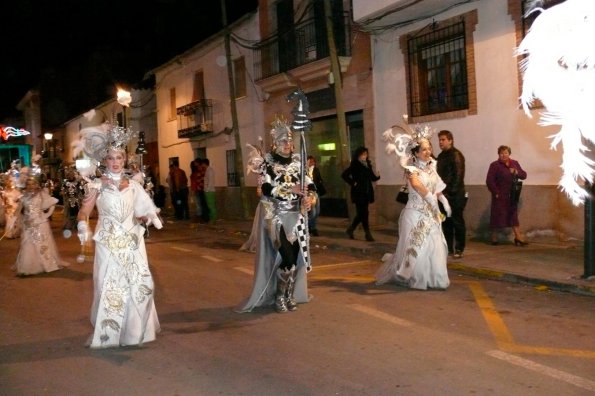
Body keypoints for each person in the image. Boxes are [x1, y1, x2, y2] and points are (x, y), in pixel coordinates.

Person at [74, 120, 163, 348]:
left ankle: (135, 332)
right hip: (108, 242)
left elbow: (142, 211)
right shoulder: (96, 186)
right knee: (110, 284)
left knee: (139, 284)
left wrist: (149, 218)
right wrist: (83, 227)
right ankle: (109, 333)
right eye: (111, 158)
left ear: (125, 160)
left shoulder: (134, 185)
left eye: (119, 158)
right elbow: (83, 212)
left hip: (133, 242)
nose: (115, 162)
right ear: (105, 161)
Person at [235, 116, 314, 314]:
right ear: (275, 143)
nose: (287, 144)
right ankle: (279, 295)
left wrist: (310, 198)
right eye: (283, 141)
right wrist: (291, 191)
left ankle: (289, 294)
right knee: (286, 255)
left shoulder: (298, 163)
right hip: (275, 217)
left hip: (297, 218)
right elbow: (266, 189)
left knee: (295, 258)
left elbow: (310, 185)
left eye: (289, 140)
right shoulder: (266, 164)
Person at [375, 124, 451, 290]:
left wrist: (442, 199)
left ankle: (435, 279)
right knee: (418, 247)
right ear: (416, 152)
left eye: (429, 148)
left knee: (435, 245)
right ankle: (416, 278)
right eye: (423, 149)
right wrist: (430, 197)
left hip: (430, 214)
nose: (428, 151)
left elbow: (436, 186)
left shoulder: (432, 167)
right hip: (416, 213)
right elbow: (417, 185)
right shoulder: (411, 169)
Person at [12, 174, 70, 276]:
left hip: (40, 224)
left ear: (36, 184)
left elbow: (53, 202)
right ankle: (28, 268)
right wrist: (14, 221)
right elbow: (18, 211)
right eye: (29, 184)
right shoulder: (23, 197)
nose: (31, 185)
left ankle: (45, 265)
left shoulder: (41, 194)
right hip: (28, 224)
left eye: (33, 183)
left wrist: (46, 215)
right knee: (27, 245)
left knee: (43, 244)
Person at [486, 145, 528, 246]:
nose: (504, 155)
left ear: (509, 154)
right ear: (498, 154)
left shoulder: (514, 163)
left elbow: (524, 175)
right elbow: (489, 181)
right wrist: (495, 192)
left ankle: (518, 237)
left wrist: (516, 172)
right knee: (497, 215)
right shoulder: (494, 165)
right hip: (500, 195)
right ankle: (494, 237)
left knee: (513, 215)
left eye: (506, 153)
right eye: (501, 153)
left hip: (512, 194)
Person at [437, 130, 467, 259]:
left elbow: (458, 176)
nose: (441, 142)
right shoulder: (441, 156)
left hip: (455, 196)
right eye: (439, 140)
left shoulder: (456, 155)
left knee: (457, 222)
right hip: (443, 195)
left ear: (450, 140)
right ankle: (448, 248)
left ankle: (459, 249)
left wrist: (449, 193)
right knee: (446, 222)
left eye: (443, 139)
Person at [341, 146, 380, 241]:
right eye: (363, 154)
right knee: (364, 213)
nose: (365, 156)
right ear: (358, 155)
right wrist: (353, 183)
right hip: (358, 193)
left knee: (361, 214)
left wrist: (378, 176)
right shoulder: (355, 164)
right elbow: (344, 175)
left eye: (366, 154)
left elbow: (372, 177)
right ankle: (367, 234)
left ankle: (350, 230)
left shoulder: (367, 164)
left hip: (367, 192)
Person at [307, 155, 325, 236]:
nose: (312, 163)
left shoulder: (316, 170)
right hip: (309, 193)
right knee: (313, 212)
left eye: (313, 161)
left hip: (316, 192)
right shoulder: (305, 171)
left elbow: (319, 179)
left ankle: (311, 226)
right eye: (310, 161)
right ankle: (311, 227)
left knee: (317, 211)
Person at [0, 175, 23, 239]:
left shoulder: (16, 191)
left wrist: (16, 203)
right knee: (9, 220)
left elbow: (20, 199)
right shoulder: (4, 192)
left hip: (15, 207)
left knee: (16, 220)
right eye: (7, 182)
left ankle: (16, 233)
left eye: (10, 182)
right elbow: (4, 200)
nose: (9, 183)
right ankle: (10, 234)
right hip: (8, 208)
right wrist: (5, 206)